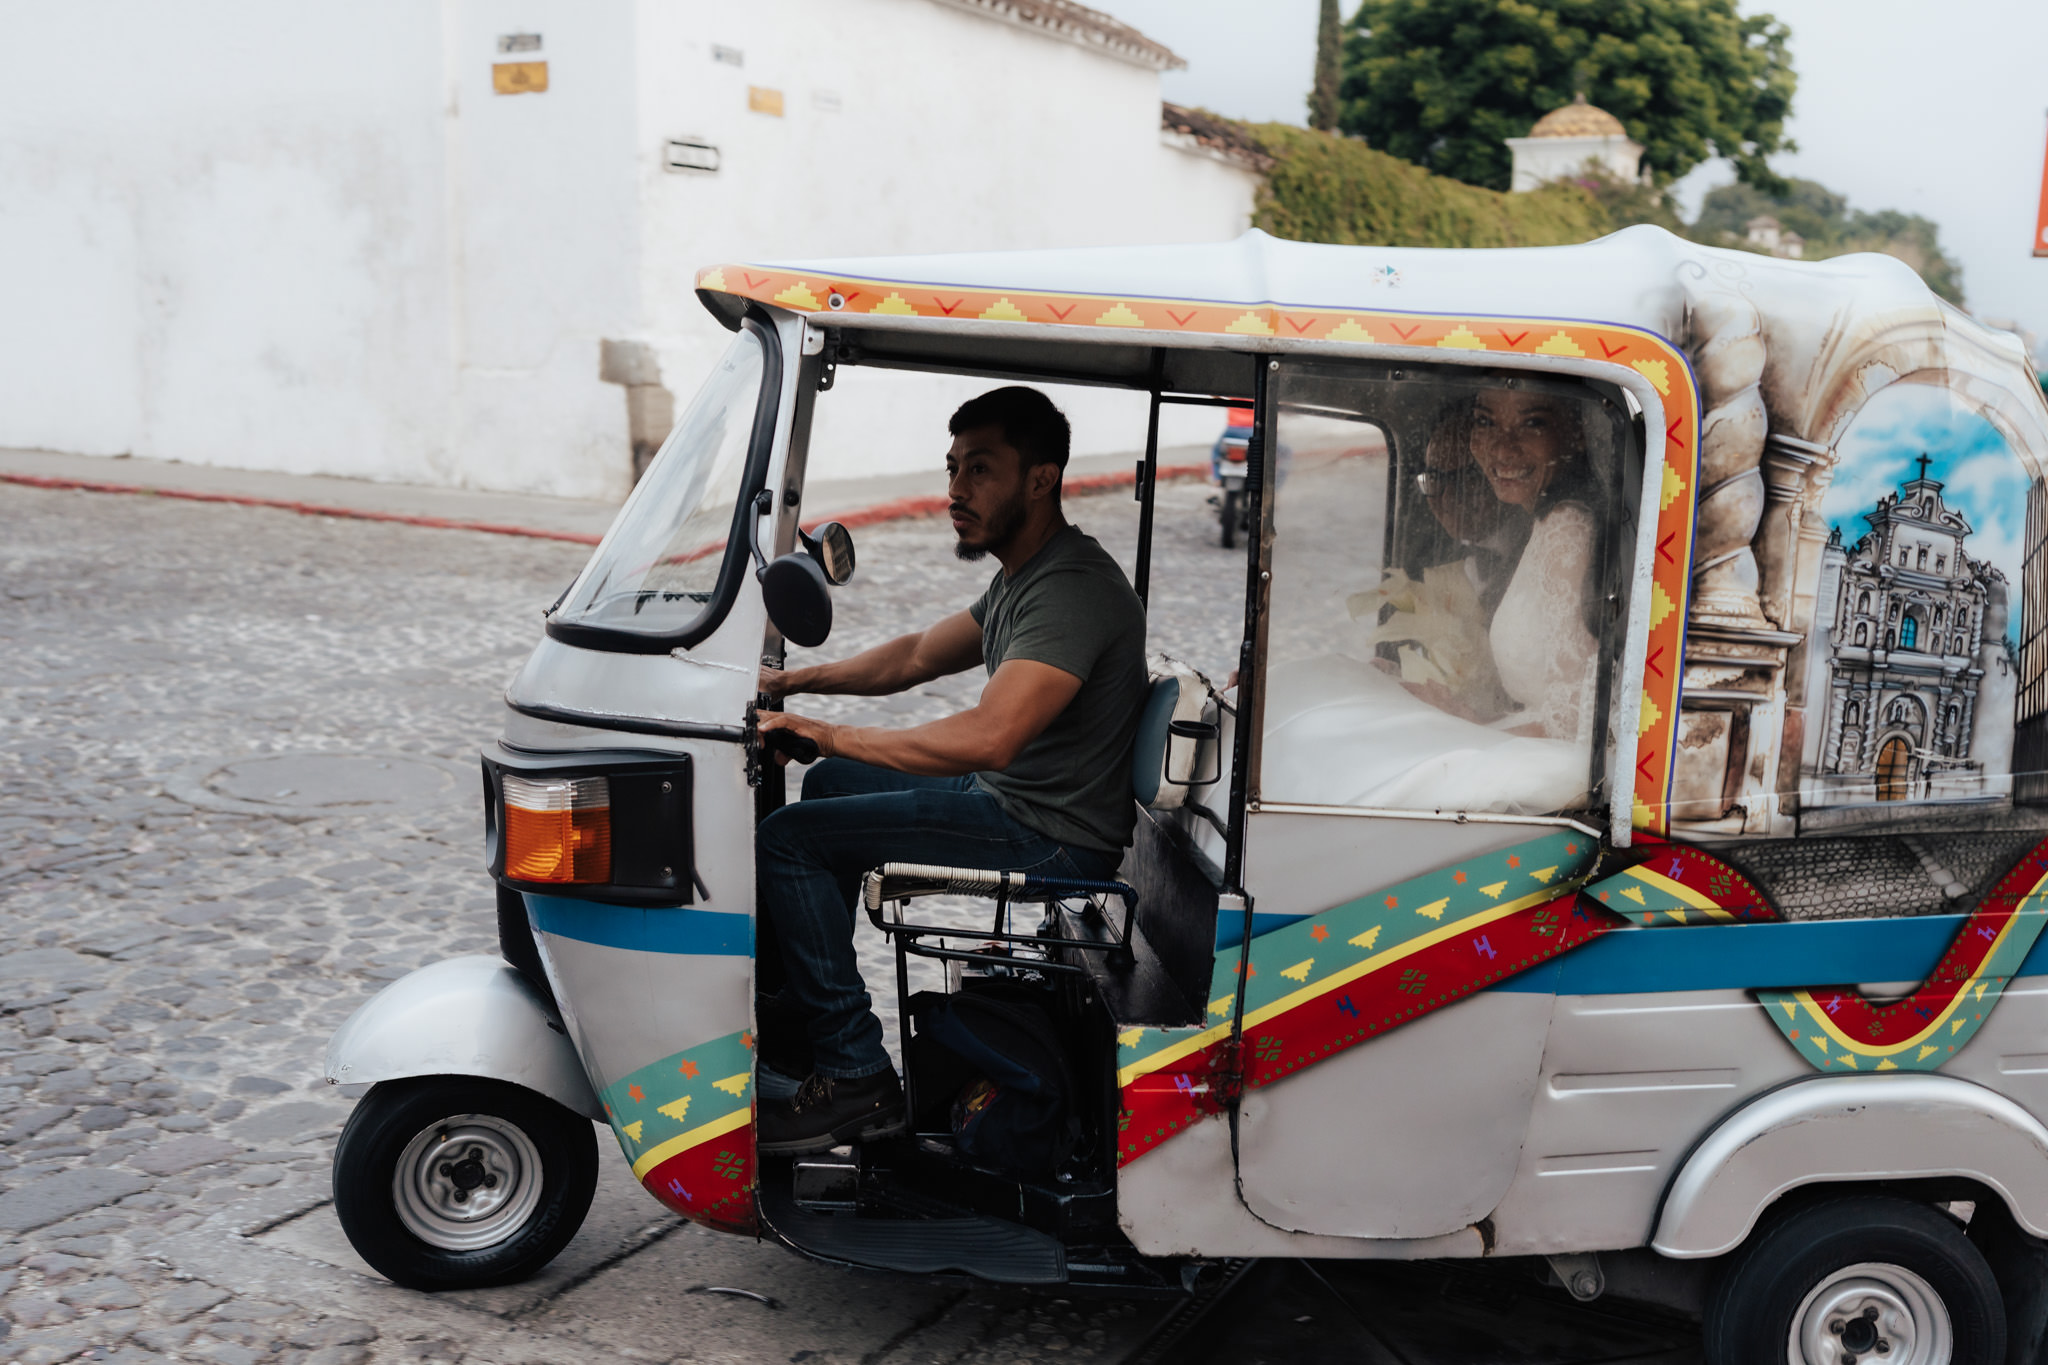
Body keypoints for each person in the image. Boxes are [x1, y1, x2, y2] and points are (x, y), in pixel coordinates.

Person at [751, 386, 1148, 1154]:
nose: (956, 491)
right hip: (1014, 799)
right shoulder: (1023, 575)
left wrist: (830, 734)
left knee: (789, 840)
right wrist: (794, 683)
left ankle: (854, 1072)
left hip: (1048, 833)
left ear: (1042, 479)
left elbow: (991, 738)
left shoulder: (1071, 591)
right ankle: (801, 1037)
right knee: (826, 789)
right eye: (953, 468)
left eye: (981, 470)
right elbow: (914, 657)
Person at [1466, 385, 1600, 741]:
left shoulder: (1566, 526)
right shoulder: (1545, 522)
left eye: (1532, 424)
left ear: (1577, 433)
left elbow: (1571, 723)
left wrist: (1463, 727)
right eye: (1485, 422)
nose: (1502, 448)